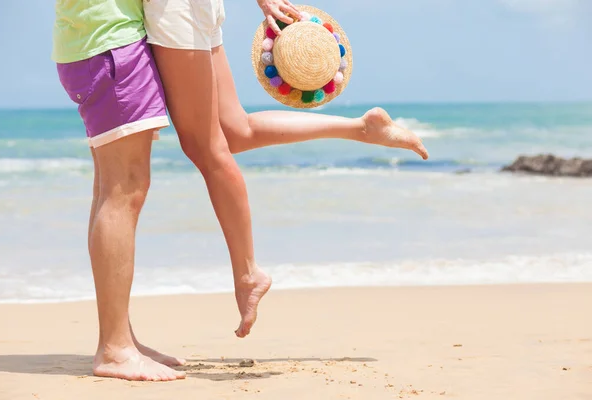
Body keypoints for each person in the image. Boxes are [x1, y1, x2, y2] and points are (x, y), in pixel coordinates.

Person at [52, 0, 428, 382]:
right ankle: (360, 128)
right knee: (228, 134)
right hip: (147, 21)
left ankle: (125, 341)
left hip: (137, 23)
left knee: (140, 178)